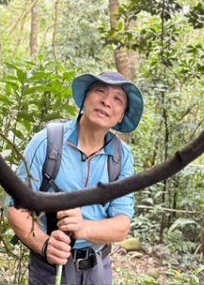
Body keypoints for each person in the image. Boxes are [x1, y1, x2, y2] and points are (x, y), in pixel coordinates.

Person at [7, 70, 144, 285]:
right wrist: (45, 245)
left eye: (118, 99)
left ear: (121, 116)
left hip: (98, 267)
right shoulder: (47, 142)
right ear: (85, 99)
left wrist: (83, 229)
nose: (106, 101)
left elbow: (122, 224)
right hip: (49, 266)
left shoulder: (121, 156)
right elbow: (16, 208)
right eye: (100, 91)